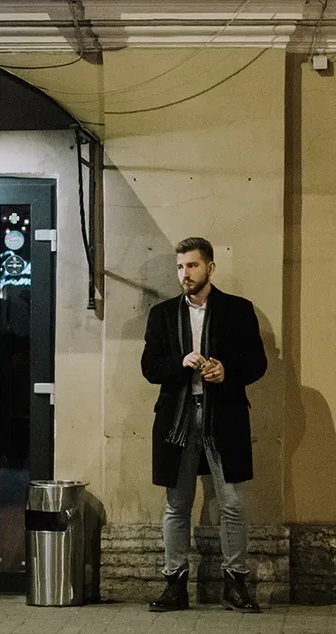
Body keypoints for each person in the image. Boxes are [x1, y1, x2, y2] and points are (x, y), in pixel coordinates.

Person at [140, 237, 267, 613]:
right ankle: (174, 585)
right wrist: (180, 363)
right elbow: (149, 367)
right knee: (177, 504)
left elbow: (257, 363)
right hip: (177, 420)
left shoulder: (237, 310)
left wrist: (227, 371)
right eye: (180, 267)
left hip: (223, 417)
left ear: (210, 267)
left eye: (192, 266)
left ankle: (234, 584)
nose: (185, 274)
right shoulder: (163, 314)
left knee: (232, 504)